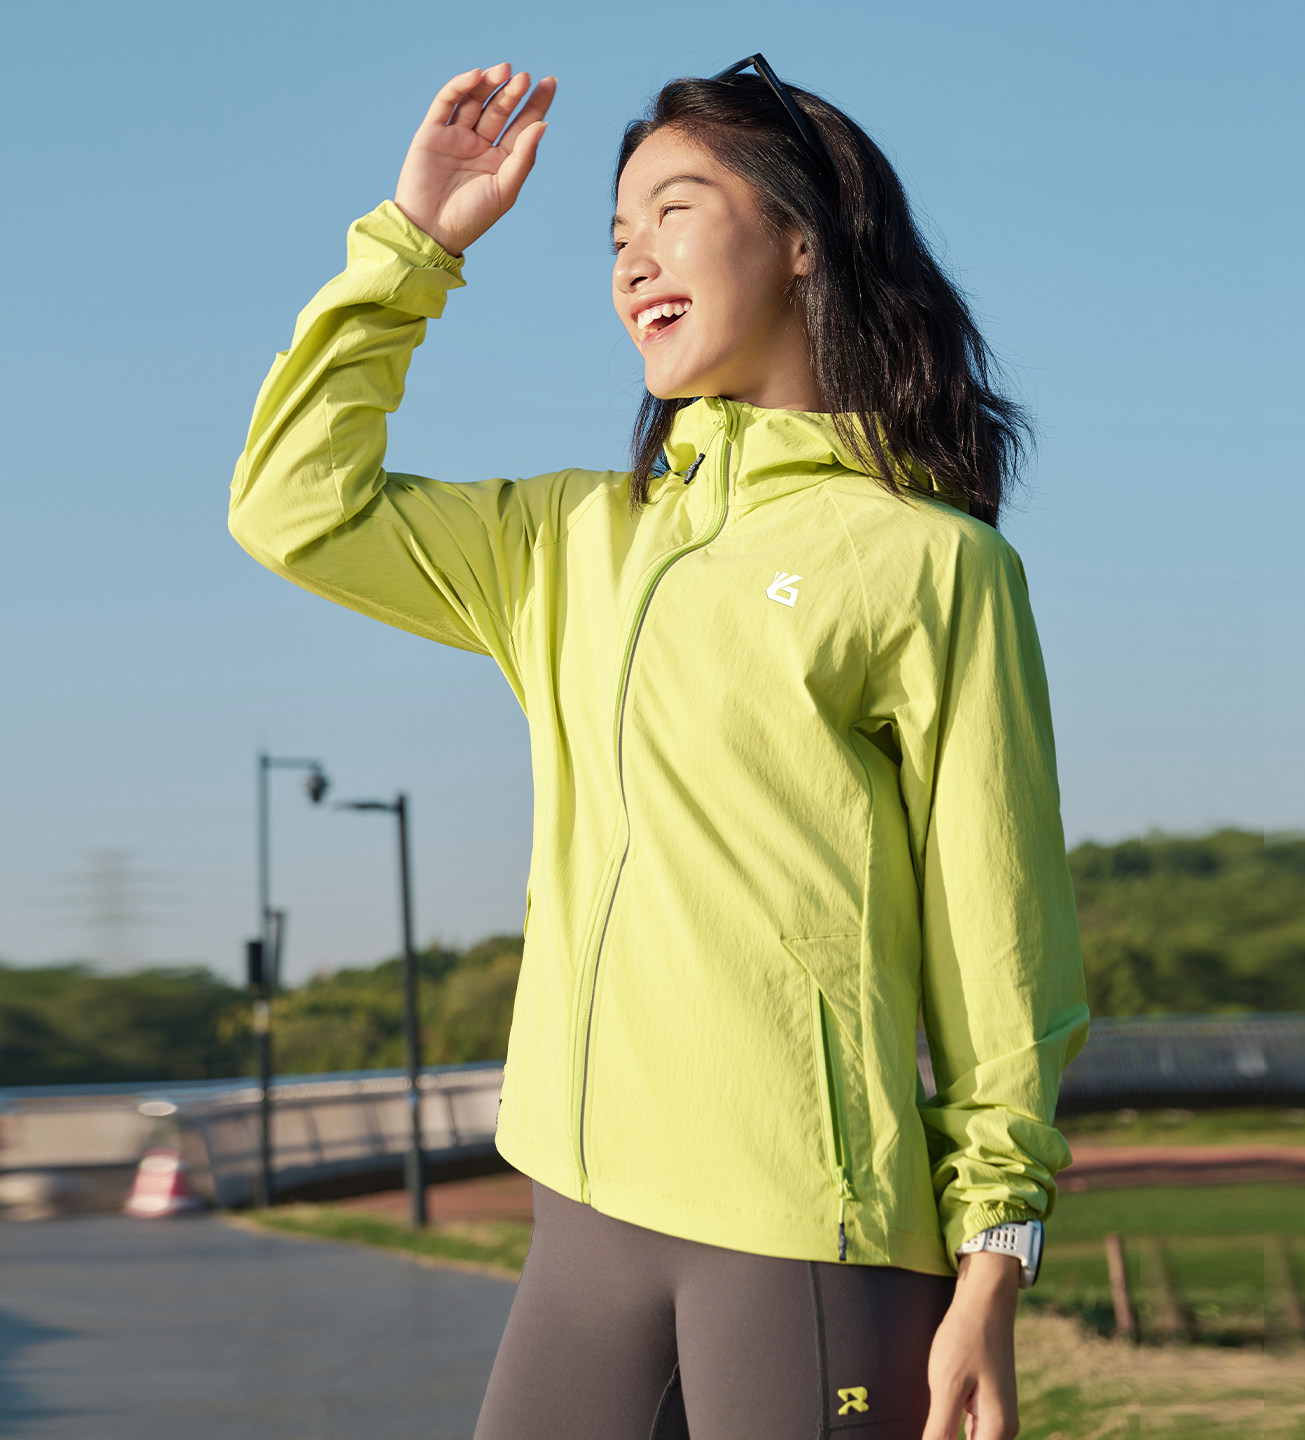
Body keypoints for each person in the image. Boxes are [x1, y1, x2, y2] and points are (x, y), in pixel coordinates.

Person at [229, 56, 1089, 1440]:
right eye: (615, 237)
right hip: (582, 1221)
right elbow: (290, 507)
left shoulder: (934, 567)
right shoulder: (570, 545)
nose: (632, 261)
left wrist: (997, 1255)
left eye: (673, 212)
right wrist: (416, 245)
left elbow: (1000, 943)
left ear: (805, 236)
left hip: (808, 1239)